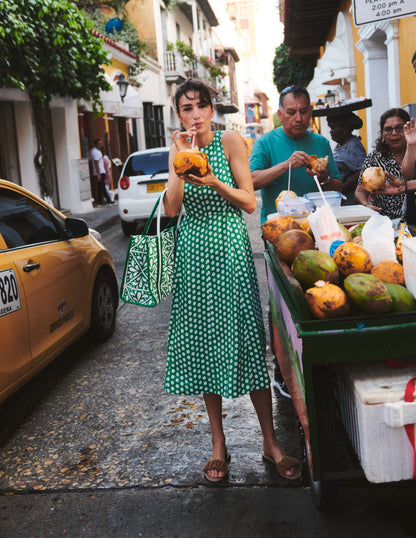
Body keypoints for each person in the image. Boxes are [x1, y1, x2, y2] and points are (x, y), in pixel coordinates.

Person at [163, 79, 301, 483]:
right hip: (193, 252)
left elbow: (249, 199)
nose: (195, 115)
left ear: (211, 109)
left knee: (244, 338)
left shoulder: (230, 142)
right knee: (205, 342)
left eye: (201, 106)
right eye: (187, 109)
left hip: (228, 245)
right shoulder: (179, 148)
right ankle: (218, 444)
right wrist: (181, 158)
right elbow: (172, 208)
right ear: (179, 115)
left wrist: (212, 182)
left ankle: (270, 442)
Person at [249, 85, 341, 224]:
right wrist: (286, 165)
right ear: (280, 115)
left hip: (317, 224)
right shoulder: (265, 142)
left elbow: (339, 187)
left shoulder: (321, 142)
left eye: (303, 111)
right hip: (278, 227)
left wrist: (324, 179)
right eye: (291, 112)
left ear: (310, 112)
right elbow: (250, 182)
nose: (298, 118)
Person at [355, 108, 410, 220]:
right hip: (384, 221)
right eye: (388, 130)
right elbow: (360, 191)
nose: (394, 133)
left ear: (408, 128)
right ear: (382, 134)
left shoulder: (413, 152)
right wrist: (367, 206)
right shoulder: (374, 158)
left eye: (399, 128)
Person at [327, 112, 367, 205]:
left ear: (345, 129)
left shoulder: (354, 146)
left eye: (333, 128)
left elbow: (361, 172)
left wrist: (342, 188)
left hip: (349, 199)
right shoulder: (340, 145)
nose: (330, 131)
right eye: (330, 128)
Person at [90, 138, 112, 205]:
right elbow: (96, 163)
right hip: (98, 172)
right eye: (99, 144)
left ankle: (100, 201)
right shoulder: (95, 152)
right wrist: (98, 173)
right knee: (102, 187)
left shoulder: (98, 151)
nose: (100, 145)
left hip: (102, 171)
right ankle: (107, 199)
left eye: (101, 144)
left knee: (100, 187)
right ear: (96, 144)